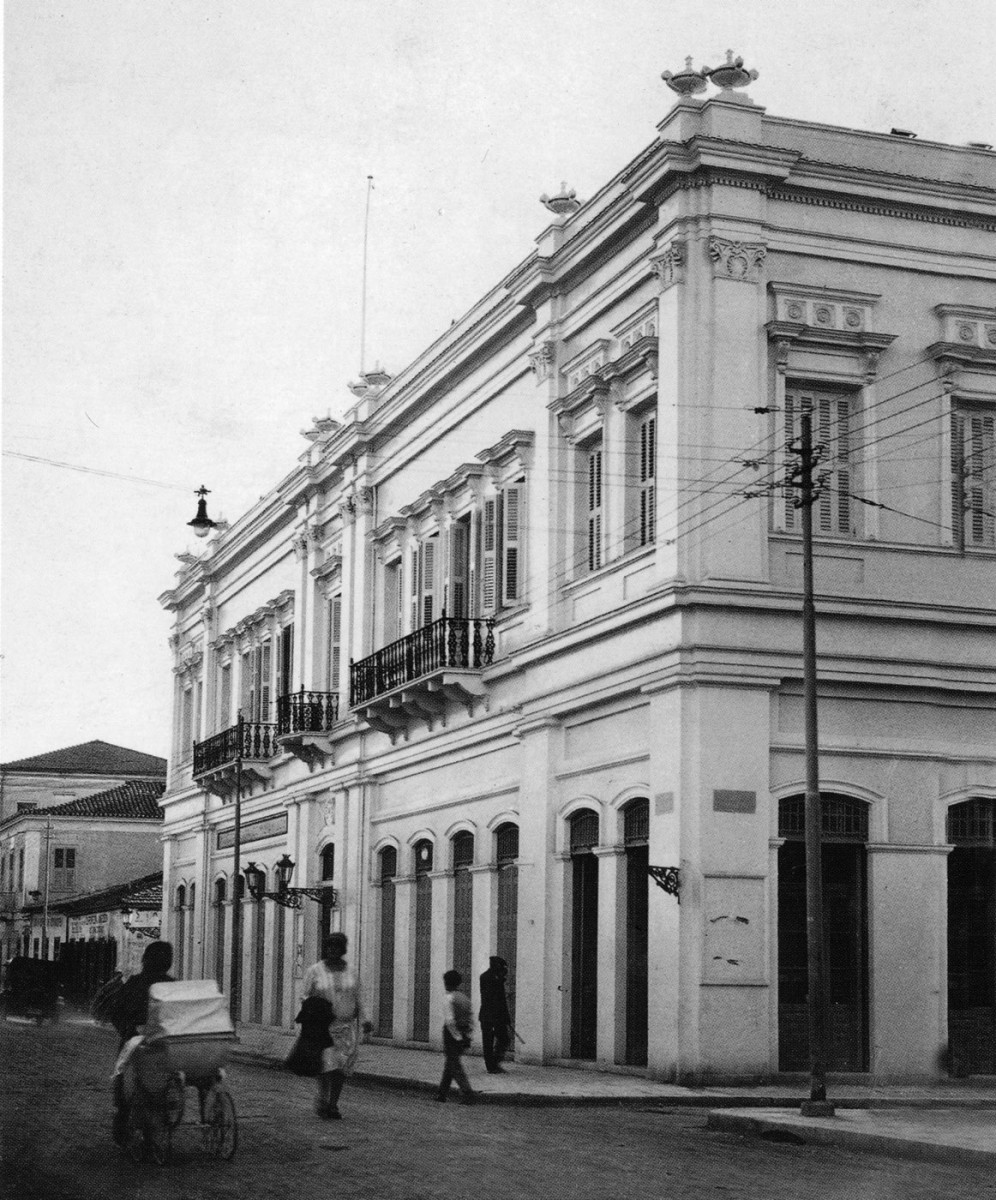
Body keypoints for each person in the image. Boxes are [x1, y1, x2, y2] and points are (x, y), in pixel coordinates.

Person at [108, 941, 174, 1145]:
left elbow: (116, 1011)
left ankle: (123, 1119)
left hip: (136, 1042)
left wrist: (127, 1030)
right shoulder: (172, 985)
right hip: (165, 1044)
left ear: (146, 959)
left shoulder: (135, 983)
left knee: (122, 1077)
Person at [301, 932, 364, 1119]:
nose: (333, 951)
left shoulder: (351, 971)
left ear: (343, 949)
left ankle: (333, 1103)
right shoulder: (315, 971)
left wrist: (365, 1019)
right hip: (324, 1027)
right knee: (327, 1064)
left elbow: (358, 996)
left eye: (337, 947)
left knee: (341, 1067)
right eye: (330, 947)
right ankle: (322, 1097)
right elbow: (305, 995)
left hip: (346, 1027)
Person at [435, 969, 475, 1104]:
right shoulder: (464, 998)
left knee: (454, 1065)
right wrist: (467, 1036)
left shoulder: (448, 998)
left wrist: (457, 1037)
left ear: (446, 983)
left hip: (452, 1034)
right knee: (451, 1063)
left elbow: (450, 1021)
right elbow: (470, 1018)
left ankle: (468, 1092)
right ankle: (441, 1093)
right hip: (464, 1031)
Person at [478, 956, 512, 1074]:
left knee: (503, 1038)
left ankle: (494, 1063)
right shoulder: (489, 978)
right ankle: (491, 1066)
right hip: (490, 1016)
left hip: (496, 1016)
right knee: (489, 1042)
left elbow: (501, 1000)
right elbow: (494, 999)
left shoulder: (495, 978)